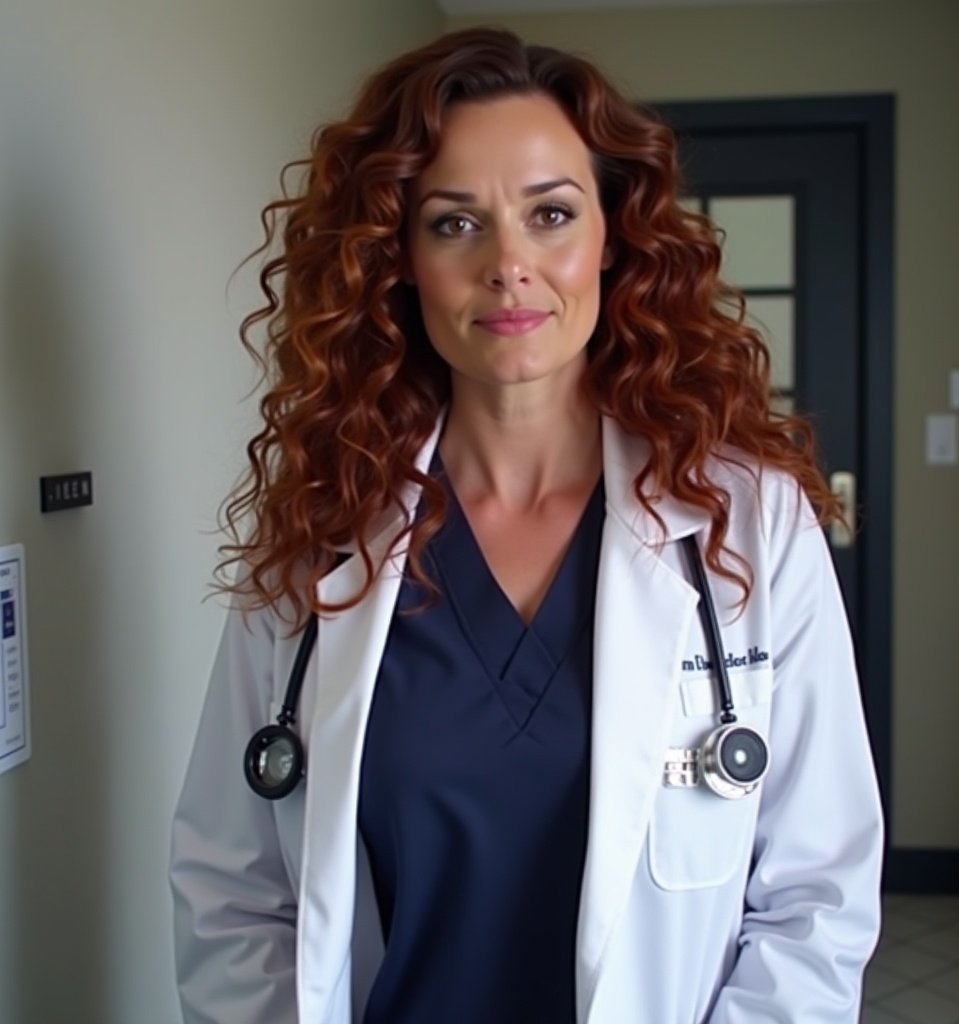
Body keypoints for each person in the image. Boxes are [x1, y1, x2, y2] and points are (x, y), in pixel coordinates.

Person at [170, 26, 883, 1024]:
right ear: (401, 260)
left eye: (550, 213)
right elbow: (230, 888)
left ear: (613, 238)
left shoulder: (748, 524)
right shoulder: (325, 533)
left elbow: (816, 896)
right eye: (455, 224)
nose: (509, 264)